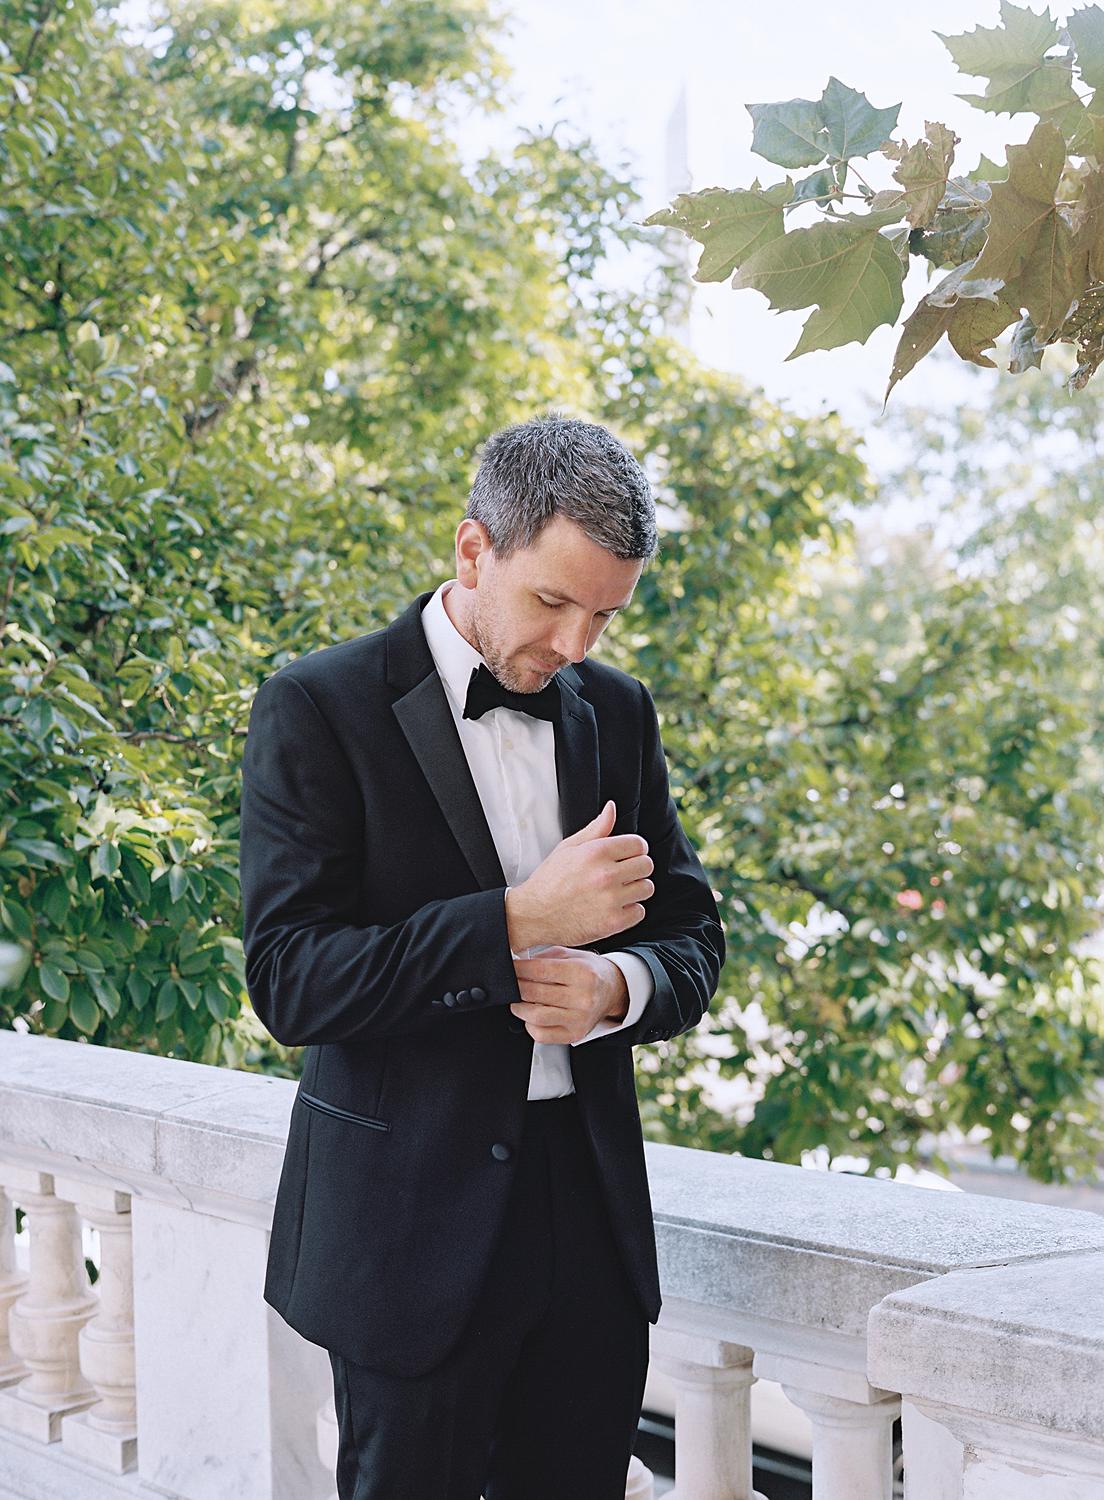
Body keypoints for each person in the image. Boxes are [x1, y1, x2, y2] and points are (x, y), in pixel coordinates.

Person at [238, 412, 726, 1500]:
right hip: (405, 1229)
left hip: (587, 1228)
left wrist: (614, 985)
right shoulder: (317, 706)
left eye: (606, 613)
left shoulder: (618, 714)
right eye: (553, 601)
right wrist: (515, 923)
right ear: (473, 550)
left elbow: (693, 935)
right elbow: (290, 979)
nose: (576, 647)